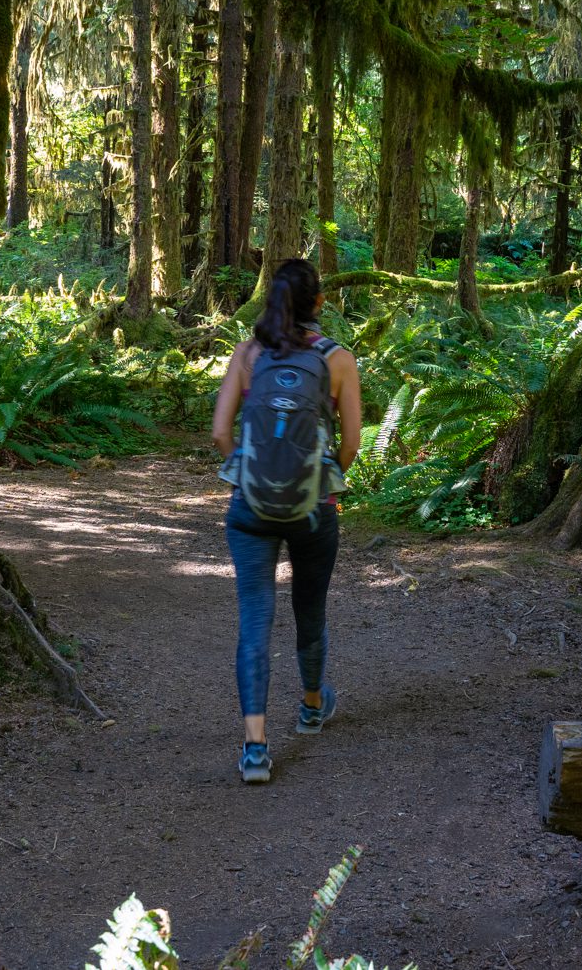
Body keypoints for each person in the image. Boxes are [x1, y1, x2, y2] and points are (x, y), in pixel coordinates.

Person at [210, 257, 361, 785]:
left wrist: (246, 476)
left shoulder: (249, 354)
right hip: (313, 511)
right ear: (318, 303)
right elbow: (350, 445)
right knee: (309, 608)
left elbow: (220, 433)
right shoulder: (338, 360)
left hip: (249, 510)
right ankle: (313, 707)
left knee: (255, 621)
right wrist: (320, 485)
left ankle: (255, 749)